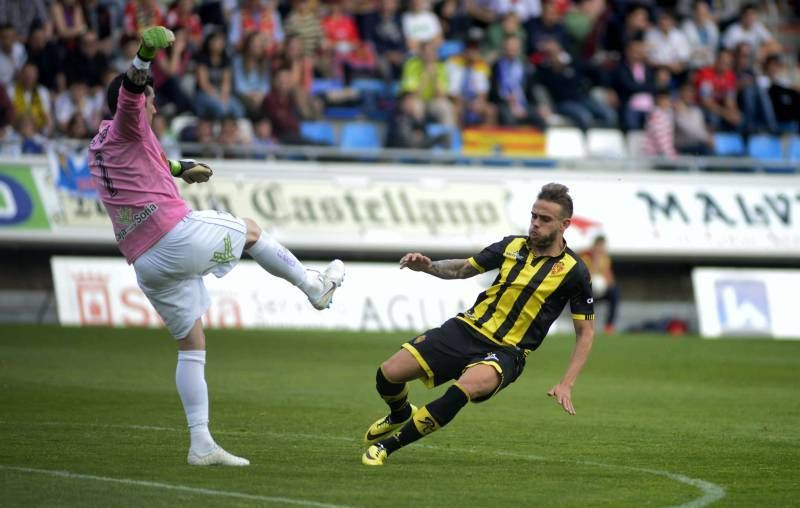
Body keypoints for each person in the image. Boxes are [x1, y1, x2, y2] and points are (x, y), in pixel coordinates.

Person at [88, 26, 345, 467]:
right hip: (172, 234)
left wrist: (180, 167)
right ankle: (313, 287)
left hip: (145, 262)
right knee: (249, 231)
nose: (154, 106)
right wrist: (146, 52)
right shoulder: (129, 119)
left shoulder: (100, 145)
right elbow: (132, 91)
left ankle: (200, 443)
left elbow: (144, 161)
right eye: (152, 100)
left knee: (192, 343)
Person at [362, 183, 595, 466]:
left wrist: (566, 383)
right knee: (388, 374)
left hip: (508, 351)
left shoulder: (575, 271)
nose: (535, 224)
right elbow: (463, 269)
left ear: (564, 224)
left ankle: (387, 447)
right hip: (466, 329)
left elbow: (585, 333)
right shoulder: (511, 246)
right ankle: (399, 412)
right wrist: (429, 266)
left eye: (544, 219)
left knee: (462, 390)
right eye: (533, 216)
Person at [580, 235, 618, 335]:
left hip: (601, 291)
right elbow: (584, 276)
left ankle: (609, 326)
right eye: (600, 246)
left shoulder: (605, 259)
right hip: (587, 291)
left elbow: (610, 279)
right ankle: (586, 326)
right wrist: (596, 262)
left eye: (603, 246)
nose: (601, 249)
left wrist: (607, 281)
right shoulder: (585, 257)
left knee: (614, 292)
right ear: (594, 246)